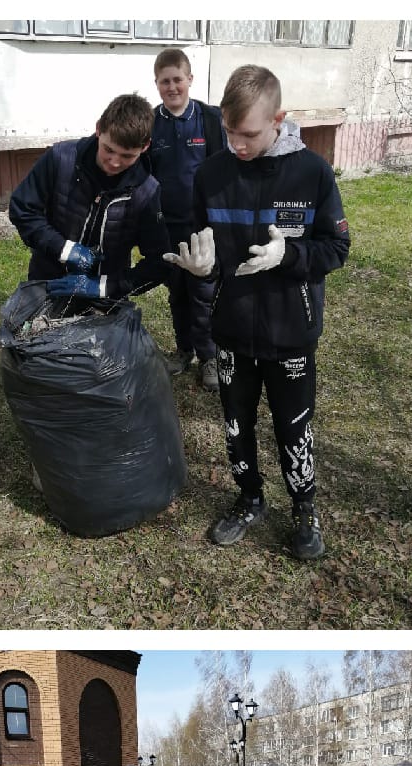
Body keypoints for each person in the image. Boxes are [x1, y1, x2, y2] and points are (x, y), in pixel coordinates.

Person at [168, 65, 349, 560]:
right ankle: (250, 500)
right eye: (228, 131)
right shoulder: (211, 175)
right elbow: (203, 246)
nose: (237, 144)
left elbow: (337, 248)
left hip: (291, 332)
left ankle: (304, 509)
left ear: (278, 120)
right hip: (232, 330)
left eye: (247, 134)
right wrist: (201, 269)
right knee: (236, 424)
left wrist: (288, 256)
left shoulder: (312, 172)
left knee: (293, 427)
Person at [8, 93, 170, 301]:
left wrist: (104, 287)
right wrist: (64, 249)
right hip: (48, 284)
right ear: (99, 129)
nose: (114, 162)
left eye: (127, 156)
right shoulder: (61, 159)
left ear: (145, 146)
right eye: (108, 150)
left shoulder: (146, 191)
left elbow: (159, 262)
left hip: (104, 301)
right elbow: (23, 209)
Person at [146, 48, 226, 389]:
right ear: (157, 84)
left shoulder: (209, 118)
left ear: (189, 79)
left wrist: (219, 223)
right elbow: (144, 177)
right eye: (165, 81)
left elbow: (222, 171)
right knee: (177, 292)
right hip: (168, 227)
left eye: (178, 79)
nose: (172, 87)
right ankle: (183, 350)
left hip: (202, 226)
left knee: (203, 292)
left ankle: (210, 356)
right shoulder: (150, 122)